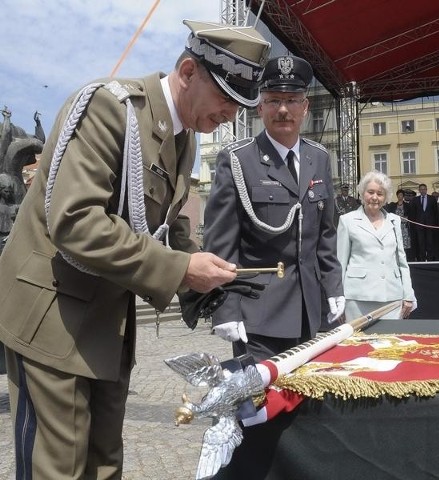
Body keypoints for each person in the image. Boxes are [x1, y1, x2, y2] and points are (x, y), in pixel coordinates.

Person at [0, 20, 270, 479]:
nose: (231, 114)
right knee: (59, 468)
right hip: (51, 319)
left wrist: (211, 285)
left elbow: (165, 229)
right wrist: (182, 268)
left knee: (104, 464)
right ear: (188, 71)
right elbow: (75, 221)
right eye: (226, 98)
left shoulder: (183, 139)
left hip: (104, 323)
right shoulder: (109, 108)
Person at [202, 54, 344, 362]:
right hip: (258, 315)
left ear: (305, 107)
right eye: (274, 100)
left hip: (310, 311)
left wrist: (333, 287)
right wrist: (224, 309)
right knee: (260, 407)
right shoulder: (238, 159)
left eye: (292, 100)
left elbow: (325, 236)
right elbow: (221, 244)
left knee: (307, 403)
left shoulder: (318, 157)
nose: (283, 110)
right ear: (259, 106)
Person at [337, 170, 416, 320]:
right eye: (370, 192)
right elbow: (340, 263)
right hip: (357, 299)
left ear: (385, 197)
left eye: (380, 194)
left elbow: (402, 262)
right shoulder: (347, 221)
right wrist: (339, 299)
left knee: (391, 343)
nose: (374, 197)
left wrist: (408, 294)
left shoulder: (394, 221)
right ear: (362, 193)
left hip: (392, 298)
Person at [408, 182, 438, 261]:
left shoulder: (432, 199)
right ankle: (422, 259)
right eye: (421, 189)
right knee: (421, 243)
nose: (423, 191)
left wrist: (435, 225)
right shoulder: (415, 200)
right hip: (419, 225)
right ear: (419, 190)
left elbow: (435, 212)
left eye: (424, 189)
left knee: (430, 243)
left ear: (426, 190)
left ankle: (430, 259)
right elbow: (413, 213)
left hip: (430, 225)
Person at [384, 188, 412, 260]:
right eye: (399, 195)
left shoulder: (407, 205)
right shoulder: (393, 205)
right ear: (397, 196)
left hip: (404, 227)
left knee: (405, 243)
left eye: (401, 195)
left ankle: (405, 258)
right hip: (395, 227)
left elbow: (410, 216)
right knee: (396, 242)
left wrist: (406, 218)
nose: (400, 196)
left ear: (403, 196)